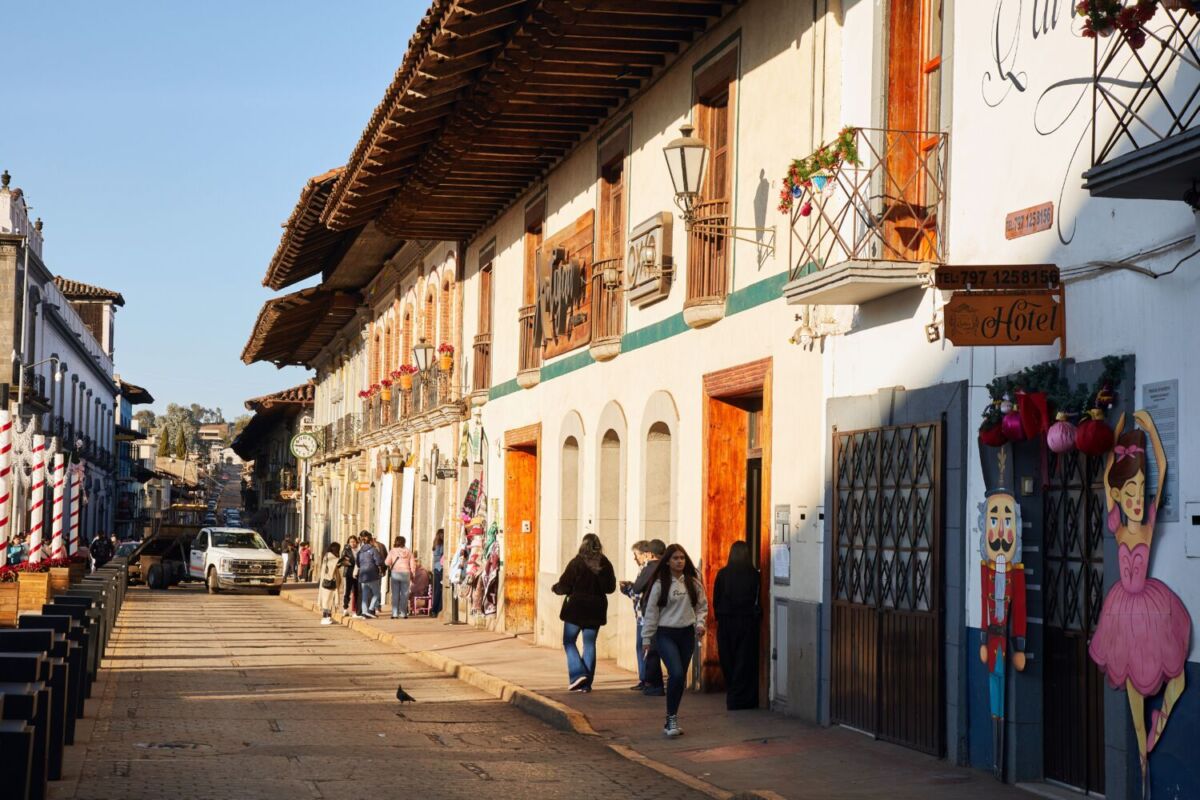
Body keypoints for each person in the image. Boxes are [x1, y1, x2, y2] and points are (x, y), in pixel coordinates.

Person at [1089, 416, 1190, 785]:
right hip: (1123, 610)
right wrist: (1114, 436)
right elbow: (1104, 480)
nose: (1136, 499)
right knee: (1131, 681)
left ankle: (1159, 720)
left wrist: (1148, 430)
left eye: (1140, 490)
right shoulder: (1116, 526)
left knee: (1175, 679)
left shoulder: (1147, 522)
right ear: (1119, 496)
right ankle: (1142, 756)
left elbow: (1162, 470)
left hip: (1148, 604)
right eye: (1128, 493)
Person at [642, 543, 708, 737]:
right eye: (675, 558)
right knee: (677, 674)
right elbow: (652, 612)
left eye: (682, 558)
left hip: (686, 634)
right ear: (668, 561)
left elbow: (702, 606)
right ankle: (671, 719)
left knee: (679, 680)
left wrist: (700, 623)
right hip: (665, 634)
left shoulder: (693, 583)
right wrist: (647, 638)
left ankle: (672, 716)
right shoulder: (660, 584)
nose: (679, 561)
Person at [552, 533, 616, 692]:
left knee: (569, 641)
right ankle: (586, 684)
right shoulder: (605, 563)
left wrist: (556, 588)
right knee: (589, 644)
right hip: (596, 609)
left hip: (576, 609)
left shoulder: (577, 563)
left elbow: (565, 585)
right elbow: (610, 588)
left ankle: (578, 674)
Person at [713, 540, 761, 710]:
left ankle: (732, 695)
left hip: (727, 622)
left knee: (728, 659)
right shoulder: (755, 575)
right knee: (745, 660)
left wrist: (720, 616)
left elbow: (716, 599)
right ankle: (743, 698)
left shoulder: (723, 574)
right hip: (747, 621)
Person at [355, 531, 385, 618]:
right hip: (372, 574)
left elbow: (358, 563)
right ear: (371, 539)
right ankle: (371, 609)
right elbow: (379, 561)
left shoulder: (360, 551)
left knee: (365, 594)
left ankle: (364, 611)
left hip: (362, 575)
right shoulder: (373, 550)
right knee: (376, 593)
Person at [385, 536, 416, 619]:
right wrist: (413, 573)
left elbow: (387, 562)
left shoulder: (392, 551)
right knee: (404, 594)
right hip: (406, 573)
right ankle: (403, 613)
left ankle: (394, 614)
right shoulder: (409, 552)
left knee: (395, 594)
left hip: (395, 573)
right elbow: (413, 564)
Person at [317, 542, 341, 625]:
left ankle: (329, 617)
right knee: (327, 601)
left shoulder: (328, 555)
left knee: (330, 600)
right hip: (328, 581)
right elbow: (334, 565)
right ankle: (325, 617)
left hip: (327, 581)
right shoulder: (330, 556)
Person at [339, 534, 360, 617]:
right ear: (348, 542)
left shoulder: (359, 550)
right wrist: (350, 562)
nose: (353, 543)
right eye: (351, 542)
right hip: (348, 572)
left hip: (357, 573)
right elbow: (342, 561)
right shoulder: (346, 550)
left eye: (354, 542)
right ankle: (345, 608)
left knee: (356, 592)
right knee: (347, 591)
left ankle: (355, 610)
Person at [431, 529, 445, 617]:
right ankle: (436, 609)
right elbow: (443, 555)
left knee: (437, 590)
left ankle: (434, 609)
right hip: (440, 568)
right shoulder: (441, 545)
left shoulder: (435, 544)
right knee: (439, 590)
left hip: (436, 568)